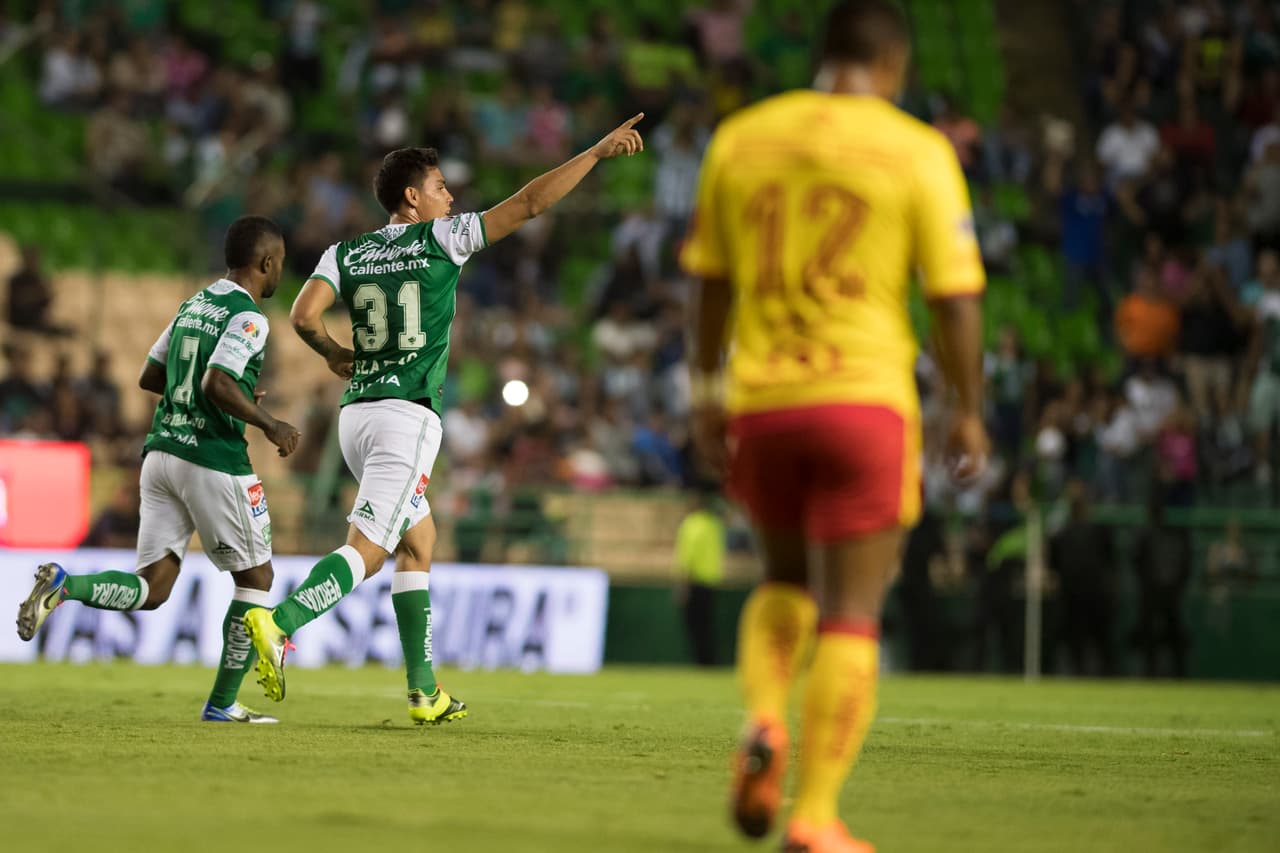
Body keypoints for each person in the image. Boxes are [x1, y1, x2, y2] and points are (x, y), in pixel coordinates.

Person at [681, 2, 988, 850]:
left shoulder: (741, 138)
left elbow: (708, 285)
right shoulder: (919, 150)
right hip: (866, 402)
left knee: (782, 581)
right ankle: (814, 816)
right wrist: (968, 409)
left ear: (823, 57)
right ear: (891, 64)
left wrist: (707, 392)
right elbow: (956, 298)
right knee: (851, 610)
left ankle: (765, 720)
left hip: (764, 401)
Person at [243, 116, 646, 725]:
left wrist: (333, 354)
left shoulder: (344, 251)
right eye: (440, 186)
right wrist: (592, 152)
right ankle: (280, 622)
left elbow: (301, 315)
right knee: (370, 550)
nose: (450, 197)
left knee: (419, 542)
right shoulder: (443, 239)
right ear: (413, 197)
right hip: (407, 417)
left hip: (357, 419)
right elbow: (532, 202)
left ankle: (424, 692)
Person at [15, 216, 301, 723]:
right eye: (279, 262)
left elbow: (152, 375)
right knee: (257, 579)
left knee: (152, 587)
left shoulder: (194, 304)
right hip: (212, 459)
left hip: (162, 453)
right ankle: (222, 703)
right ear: (266, 263)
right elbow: (217, 384)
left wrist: (208, 394)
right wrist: (270, 423)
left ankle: (67, 586)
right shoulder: (249, 318)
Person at [673, 490, 725, 666]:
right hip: (712, 581)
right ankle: (710, 661)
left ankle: (701, 661)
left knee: (695, 625)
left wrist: (683, 584)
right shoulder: (714, 524)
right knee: (708, 624)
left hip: (695, 581)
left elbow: (688, 556)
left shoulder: (690, 524)